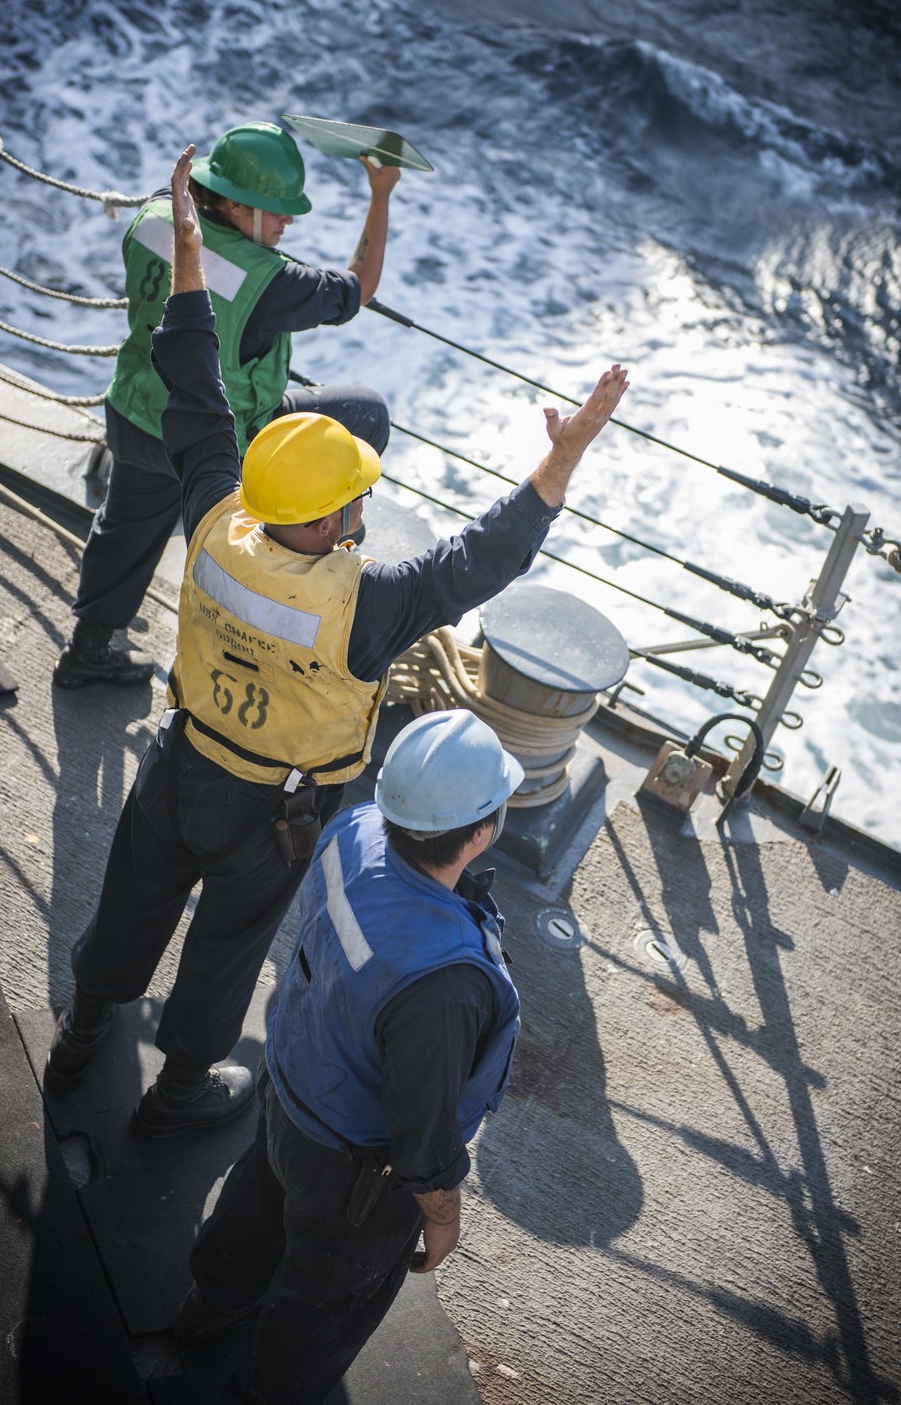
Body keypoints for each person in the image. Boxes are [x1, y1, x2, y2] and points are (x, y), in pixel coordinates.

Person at [44, 144, 629, 1139]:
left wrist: (192, 248)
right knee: (227, 946)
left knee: (134, 901)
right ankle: (179, 1092)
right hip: (271, 807)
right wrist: (560, 459)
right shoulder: (364, 607)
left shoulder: (218, 518)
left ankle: (82, 1034)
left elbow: (193, 380)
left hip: (179, 764)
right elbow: (477, 563)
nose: (364, 505)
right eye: (354, 496)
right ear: (323, 521)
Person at [173, 709, 524, 1404]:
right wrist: (443, 1218)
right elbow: (423, 1134)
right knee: (325, 1298)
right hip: (355, 1169)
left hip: (294, 1081)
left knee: (256, 1203)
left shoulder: (355, 828)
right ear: (481, 832)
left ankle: (207, 1308)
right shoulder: (444, 981)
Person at [53, 120, 399, 690]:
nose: (289, 220)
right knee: (365, 415)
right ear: (237, 206)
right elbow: (358, 286)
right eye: (278, 208)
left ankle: (88, 651)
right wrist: (380, 194)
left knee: (126, 527)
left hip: (135, 413)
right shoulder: (273, 282)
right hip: (214, 442)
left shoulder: (154, 216)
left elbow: (180, 214)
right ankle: (304, 590)